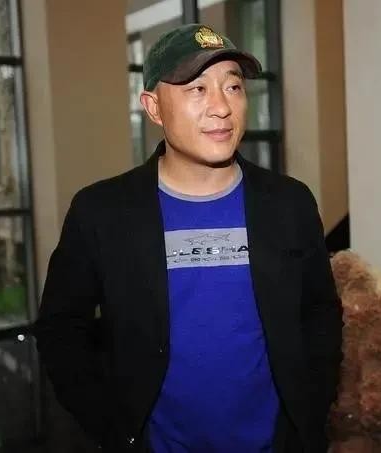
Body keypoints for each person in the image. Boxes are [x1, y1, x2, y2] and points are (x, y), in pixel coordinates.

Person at [34, 23, 343, 453]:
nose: (221, 107)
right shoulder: (102, 213)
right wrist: (111, 426)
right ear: (153, 107)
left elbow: (319, 312)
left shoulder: (289, 204)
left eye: (233, 87)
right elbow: (62, 329)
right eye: (197, 89)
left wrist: (311, 408)